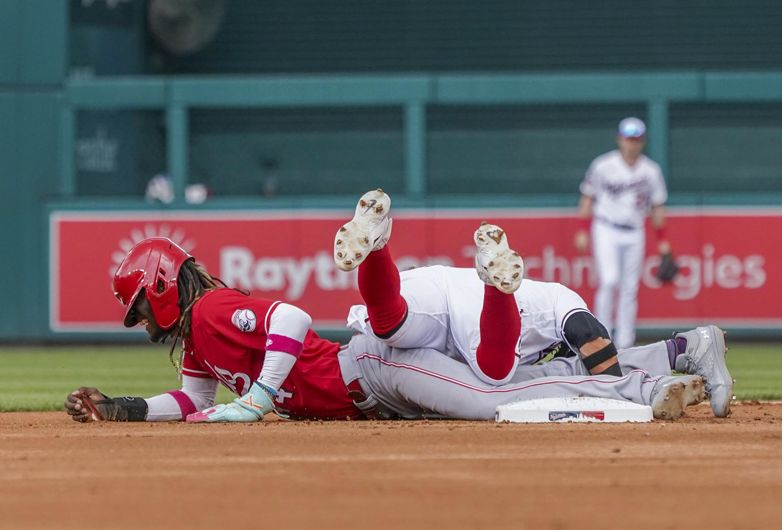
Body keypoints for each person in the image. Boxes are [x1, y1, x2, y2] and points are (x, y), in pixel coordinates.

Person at [64, 237, 707, 424]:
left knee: (493, 400)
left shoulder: (207, 312)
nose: (140, 322)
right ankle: (663, 360)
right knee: (513, 381)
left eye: (140, 309)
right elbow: (194, 403)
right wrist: (121, 409)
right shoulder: (199, 339)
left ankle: (641, 393)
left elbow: (288, 318)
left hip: (371, 370)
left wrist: (258, 399)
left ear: (157, 290)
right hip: (377, 395)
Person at [334, 189, 732, 418]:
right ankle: (495, 284)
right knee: (497, 376)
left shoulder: (552, 301)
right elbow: (591, 340)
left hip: (431, 284)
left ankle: (378, 245)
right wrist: (617, 393)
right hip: (477, 306)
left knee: (389, 324)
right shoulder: (560, 298)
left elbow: (579, 362)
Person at [574, 117, 671, 350]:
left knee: (630, 288)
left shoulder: (651, 170)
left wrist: (664, 241)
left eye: (636, 139)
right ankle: (601, 337)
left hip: (635, 231)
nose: (632, 144)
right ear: (620, 139)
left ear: (643, 141)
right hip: (606, 227)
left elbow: (657, 207)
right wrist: (581, 230)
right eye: (628, 138)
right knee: (609, 281)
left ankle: (626, 342)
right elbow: (588, 197)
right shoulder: (603, 165)